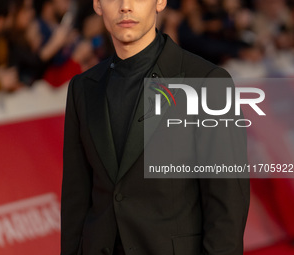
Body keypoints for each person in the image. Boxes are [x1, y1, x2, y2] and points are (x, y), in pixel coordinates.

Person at [61, 0, 250, 255]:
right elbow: (76, 199)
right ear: (97, 4)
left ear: (160, 1)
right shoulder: (82, 89)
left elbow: (227, 204)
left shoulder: (206, 82)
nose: (125, 6)